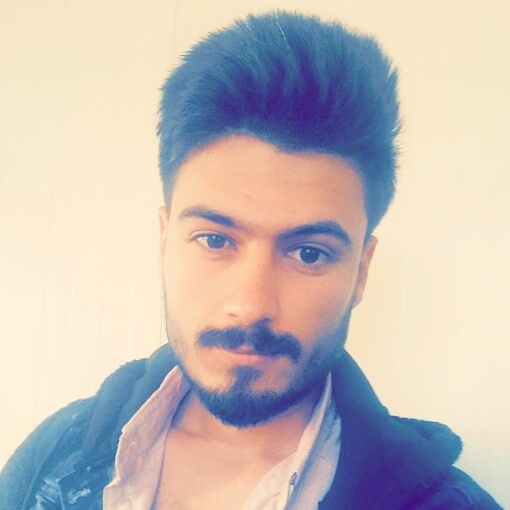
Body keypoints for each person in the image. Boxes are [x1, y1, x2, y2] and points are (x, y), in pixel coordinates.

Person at [0, 11, 502, 510]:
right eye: (215, 240)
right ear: (164, 241)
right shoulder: (55, 453)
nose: (251, 305)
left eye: (309, 253)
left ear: (361, 273)